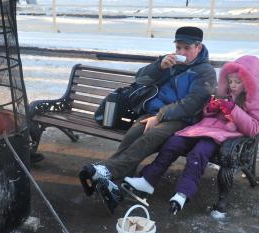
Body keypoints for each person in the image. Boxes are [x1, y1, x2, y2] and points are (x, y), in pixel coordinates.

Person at [78, 26, 217, 213]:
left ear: (198, 47)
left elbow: (193, 103)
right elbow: (140, 78)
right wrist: (159, 66)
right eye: (178, 48)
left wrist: (160, 116)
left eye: (186, 48)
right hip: (154, 113)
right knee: (133, 134)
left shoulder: (205, 71)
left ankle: (106, 170)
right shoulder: (170, 63)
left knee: (149, 136)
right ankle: (110, 180)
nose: (181, 52)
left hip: (181, 118)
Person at [124, 55, 259, 215]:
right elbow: (206, 113)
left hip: (221, 136)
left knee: (198, 154)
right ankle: (148, 180)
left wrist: (233, 109)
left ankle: (183, 193)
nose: (232, 85)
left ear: (249, 82)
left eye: (237, 82)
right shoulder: (224, 91)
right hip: (201, 128)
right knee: (173, 143)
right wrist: (210, 109)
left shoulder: (257, 101)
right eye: (230, 81)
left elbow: (254, 128)